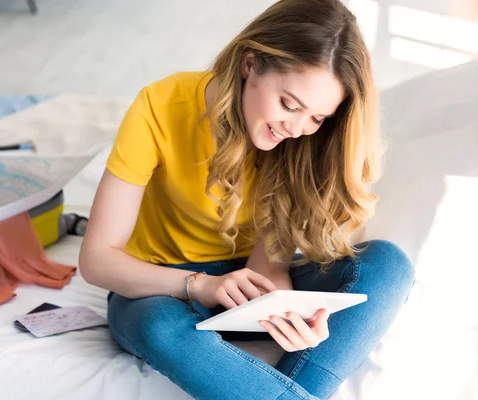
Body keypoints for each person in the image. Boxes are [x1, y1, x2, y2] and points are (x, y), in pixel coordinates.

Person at [79, 0, 415, 398]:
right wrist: (202, 286)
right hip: (163, 286)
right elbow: (97, 260)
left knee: (388, 264)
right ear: (250, 63)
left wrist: (287, 310)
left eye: (317, 118)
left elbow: (268, 265)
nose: (297, 128)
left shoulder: (301, 143)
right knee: (157, 325)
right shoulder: (160, 105)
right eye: (289, 104)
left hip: (248, 289)